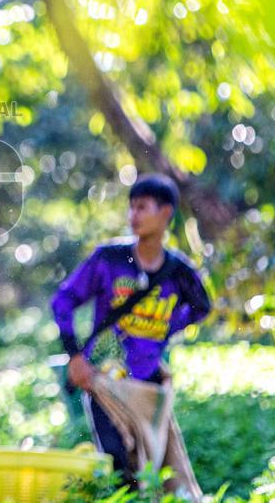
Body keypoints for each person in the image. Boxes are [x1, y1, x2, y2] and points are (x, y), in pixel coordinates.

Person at [51, 173, 210, 483]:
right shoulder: (109, 259)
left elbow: (202, 307)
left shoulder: (178, 271)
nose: (133, 216)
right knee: (117, 464)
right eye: (131, 207)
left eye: (142, 208)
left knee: (151, 469)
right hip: (104, 378)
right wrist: (75, 356)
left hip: (148, 383)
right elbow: (63, 301)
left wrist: (166, 330)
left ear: (165, 214)